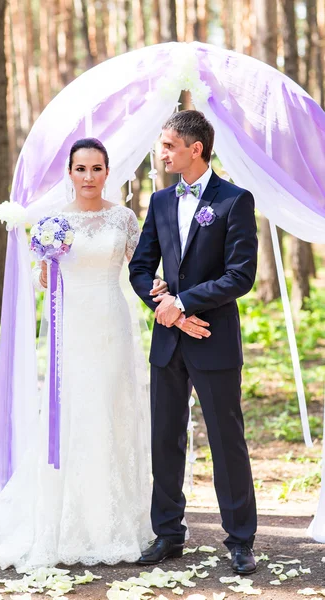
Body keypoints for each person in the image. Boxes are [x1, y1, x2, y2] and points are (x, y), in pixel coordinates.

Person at [0, 138, 168, 571]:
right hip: (72, 331)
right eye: (80, 169)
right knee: (74, 414)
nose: (88, 178)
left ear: (107, 172)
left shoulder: (123, 218)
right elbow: (44, 280)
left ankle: (116, 520)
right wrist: (47, 261)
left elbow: (140, 268)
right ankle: (68, 519)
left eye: (97, 169)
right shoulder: (53, 222)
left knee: (113, 412)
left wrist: (160, 289)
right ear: (69, 172)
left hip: (113, 325)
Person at [129, 110, 258, 574]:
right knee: (165, 438)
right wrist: (165, 306)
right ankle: (168, 533)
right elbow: (141, 268)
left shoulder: (235, 201)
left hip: (214, 338)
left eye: (168, 146)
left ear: (194, 148)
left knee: (227, 440)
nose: (161, 153)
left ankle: (241, 539)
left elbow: (240, 275)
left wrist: (182, 303)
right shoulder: (161, 201)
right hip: (169, 339)